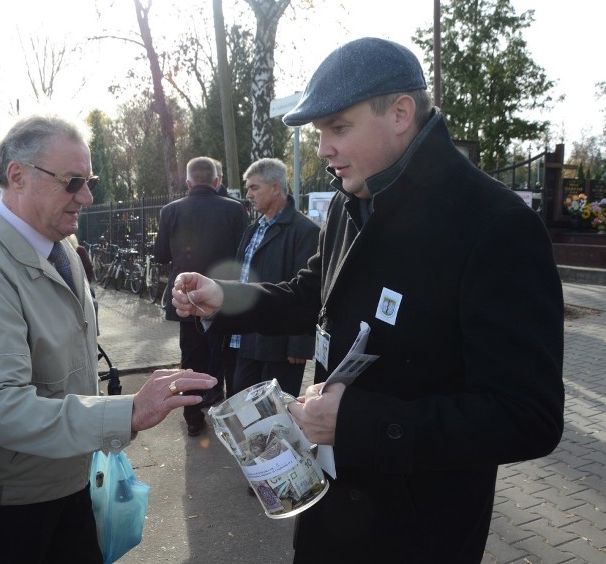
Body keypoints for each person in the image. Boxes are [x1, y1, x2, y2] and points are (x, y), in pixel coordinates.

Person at [171, 37, 564, 563]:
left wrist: (355, 423)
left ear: (400, 112)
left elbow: (527, 418)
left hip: (416, 532)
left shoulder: (494, 226)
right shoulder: (347, 204)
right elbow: (312, 294)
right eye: (319, 133)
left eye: (338, 128)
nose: (323, 148)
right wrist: (226, 296)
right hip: (329, 510)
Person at [0, 115, 217, 563]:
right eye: (73, 182)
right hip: (12, 502)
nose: (86, 196)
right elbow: (1, 409)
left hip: (69, 477)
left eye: (89, 182)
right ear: (17, 176)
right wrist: (128, 412)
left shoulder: (59, 244)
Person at [153, 156, 247, 436]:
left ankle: (193, 416)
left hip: (188, 295)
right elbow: (244, 254)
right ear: (218, 182)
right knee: (228, 355)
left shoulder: (170, 211)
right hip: (224, 293)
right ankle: (231, 415)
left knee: (191, 355)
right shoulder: (235, 209)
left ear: (188, 182)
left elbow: (160, 255)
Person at [222, 158, 319, 398]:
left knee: (275, 416)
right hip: (245, 338)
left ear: (275, 187)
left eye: (255, 187)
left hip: (278, 345)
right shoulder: (253, 228)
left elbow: (309, 290)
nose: (249, 194)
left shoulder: (305, 231)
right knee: (241, 407)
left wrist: (299, 344)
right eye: (248, 188)